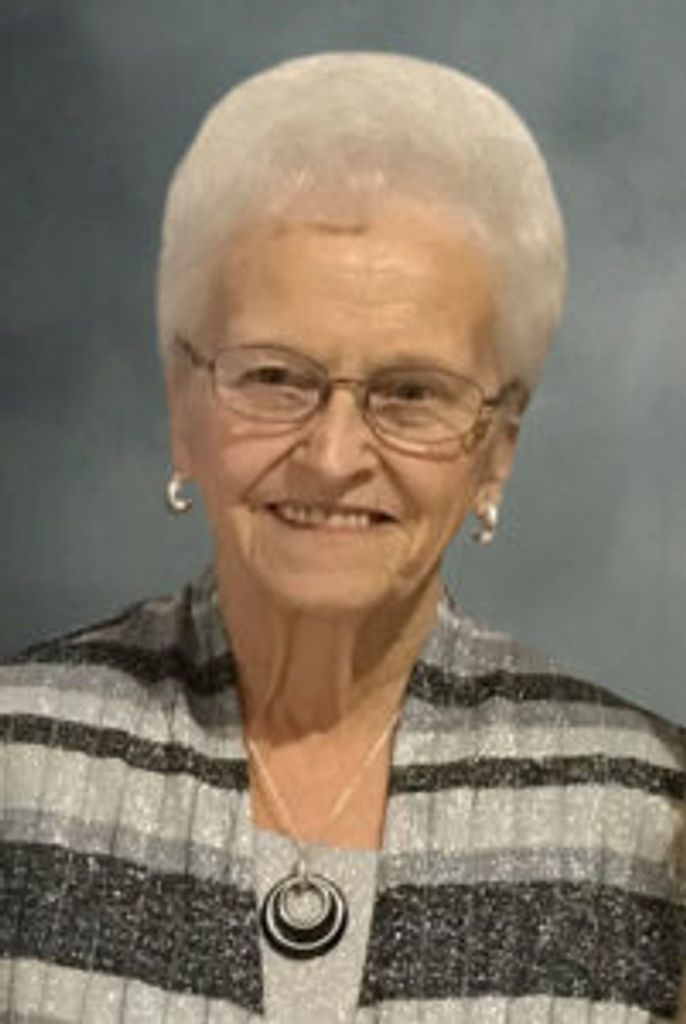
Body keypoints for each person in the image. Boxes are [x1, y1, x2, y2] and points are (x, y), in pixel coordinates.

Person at [1, 52, 684, 1023]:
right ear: (183, 410)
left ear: (495, 450)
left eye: (410, 392)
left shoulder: (646, 819)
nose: (331, 456)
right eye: (274, 376)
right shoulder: (19, 761)